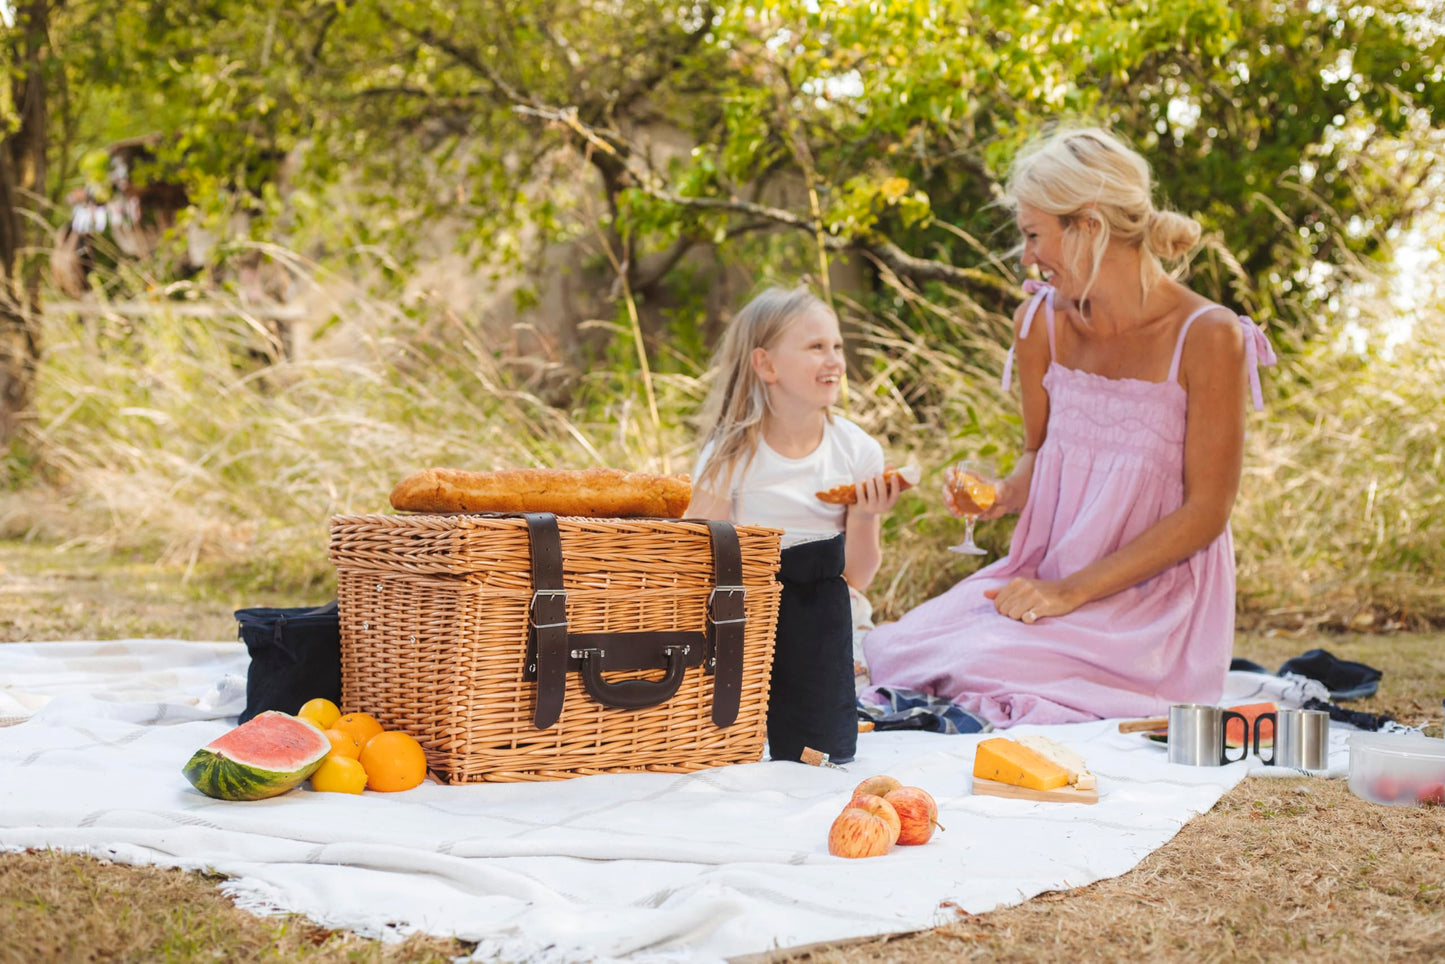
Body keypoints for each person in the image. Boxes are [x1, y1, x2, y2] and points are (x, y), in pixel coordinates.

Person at [861, 127, 1277, 727]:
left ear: (1089, 225)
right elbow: (1039, 453)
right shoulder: (1040, 324)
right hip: (1046, 581)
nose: (1027, 257)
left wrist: (1070, 593)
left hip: (1151, 607)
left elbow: (1208, 510)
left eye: (1034, 235)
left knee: (976, 665)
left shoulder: (1207, 336)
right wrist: (1001, 494)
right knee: (902, 648)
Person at [687, 285, 903, 763]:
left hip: (829, 614)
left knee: (844, 686)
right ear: (767, 366)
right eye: (815, 347)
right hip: (752, 614)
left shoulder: (857, 452)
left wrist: (865, 516)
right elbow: (700, 558)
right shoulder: (730, 456)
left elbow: (859, 578)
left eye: (838, 346)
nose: (834, 360)